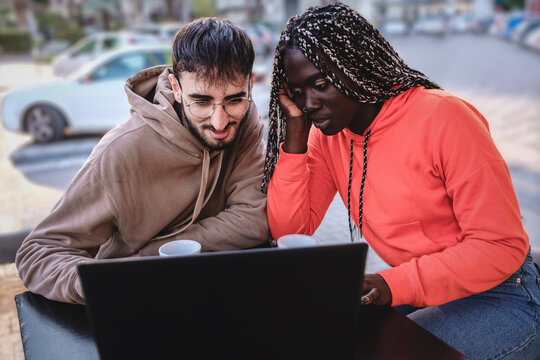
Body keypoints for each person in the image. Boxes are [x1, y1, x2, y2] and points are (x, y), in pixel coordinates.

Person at [263, 3, 540, 359]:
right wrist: (296, 136)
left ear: (356, 67)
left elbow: (500, 245)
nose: (309, 103)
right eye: (297, 92)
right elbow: (290, 229)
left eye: (319, 84)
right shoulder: (326, 134)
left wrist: (389, 284)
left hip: (503, 295)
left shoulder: (445, 118)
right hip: (427, 291)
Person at [16, 18, 269, 305]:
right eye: (201, 102)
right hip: (134, 301)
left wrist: (151, 256)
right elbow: (38, 252)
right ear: (175, 86)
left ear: (250, 85)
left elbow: (254, 218)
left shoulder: (245, 120)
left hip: (214, 293)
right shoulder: (119, 152)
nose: (220, 121)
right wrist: (111, 281)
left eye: (234, 100)